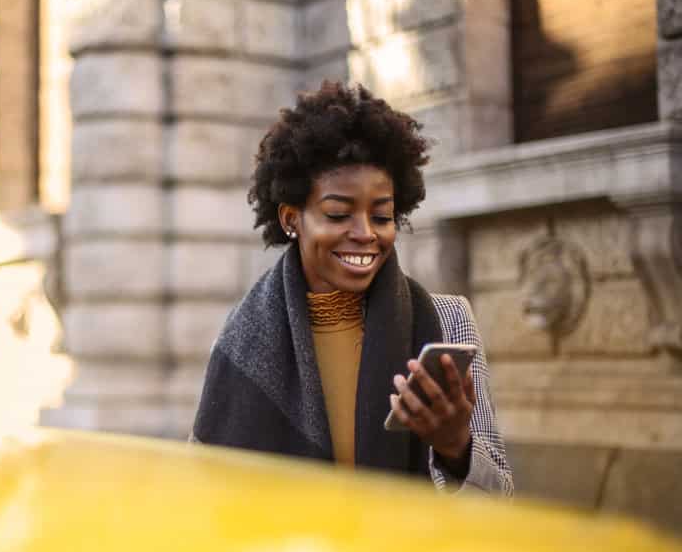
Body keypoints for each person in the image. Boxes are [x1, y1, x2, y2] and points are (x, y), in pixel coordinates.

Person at [190, 82, 513, 495]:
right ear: (292, 219)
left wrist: (456, 448)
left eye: (382, 217)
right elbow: (204, 495)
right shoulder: (243, 339)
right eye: (339, 213)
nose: (365, 234)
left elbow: (501, 500)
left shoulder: (449, 322)